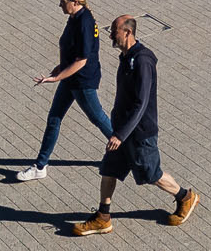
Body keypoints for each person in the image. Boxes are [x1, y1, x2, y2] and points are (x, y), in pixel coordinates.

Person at [66, 13, 198, 233]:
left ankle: (186, 197)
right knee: (109, 170)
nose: (110, 33)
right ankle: (103, 217)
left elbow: (141, 103)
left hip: (139, 133)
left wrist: (120, 134)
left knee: (152, 174)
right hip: (122, 132)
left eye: (114, 30)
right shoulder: (127, 57)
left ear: (127, 32)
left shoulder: (143, 61)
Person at [11, 0, 112, 182]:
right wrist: (59, 68)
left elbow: (82, 60)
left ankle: (128, 149)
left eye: (62, 1)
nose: (59, 5)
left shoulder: (84, 22)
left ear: (74, 1)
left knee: (98, 118)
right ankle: (40, 165)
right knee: (54, 119)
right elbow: (71, 50)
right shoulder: (76, 17)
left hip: (81, 81)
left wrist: (57, 77)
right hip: (69, 77)